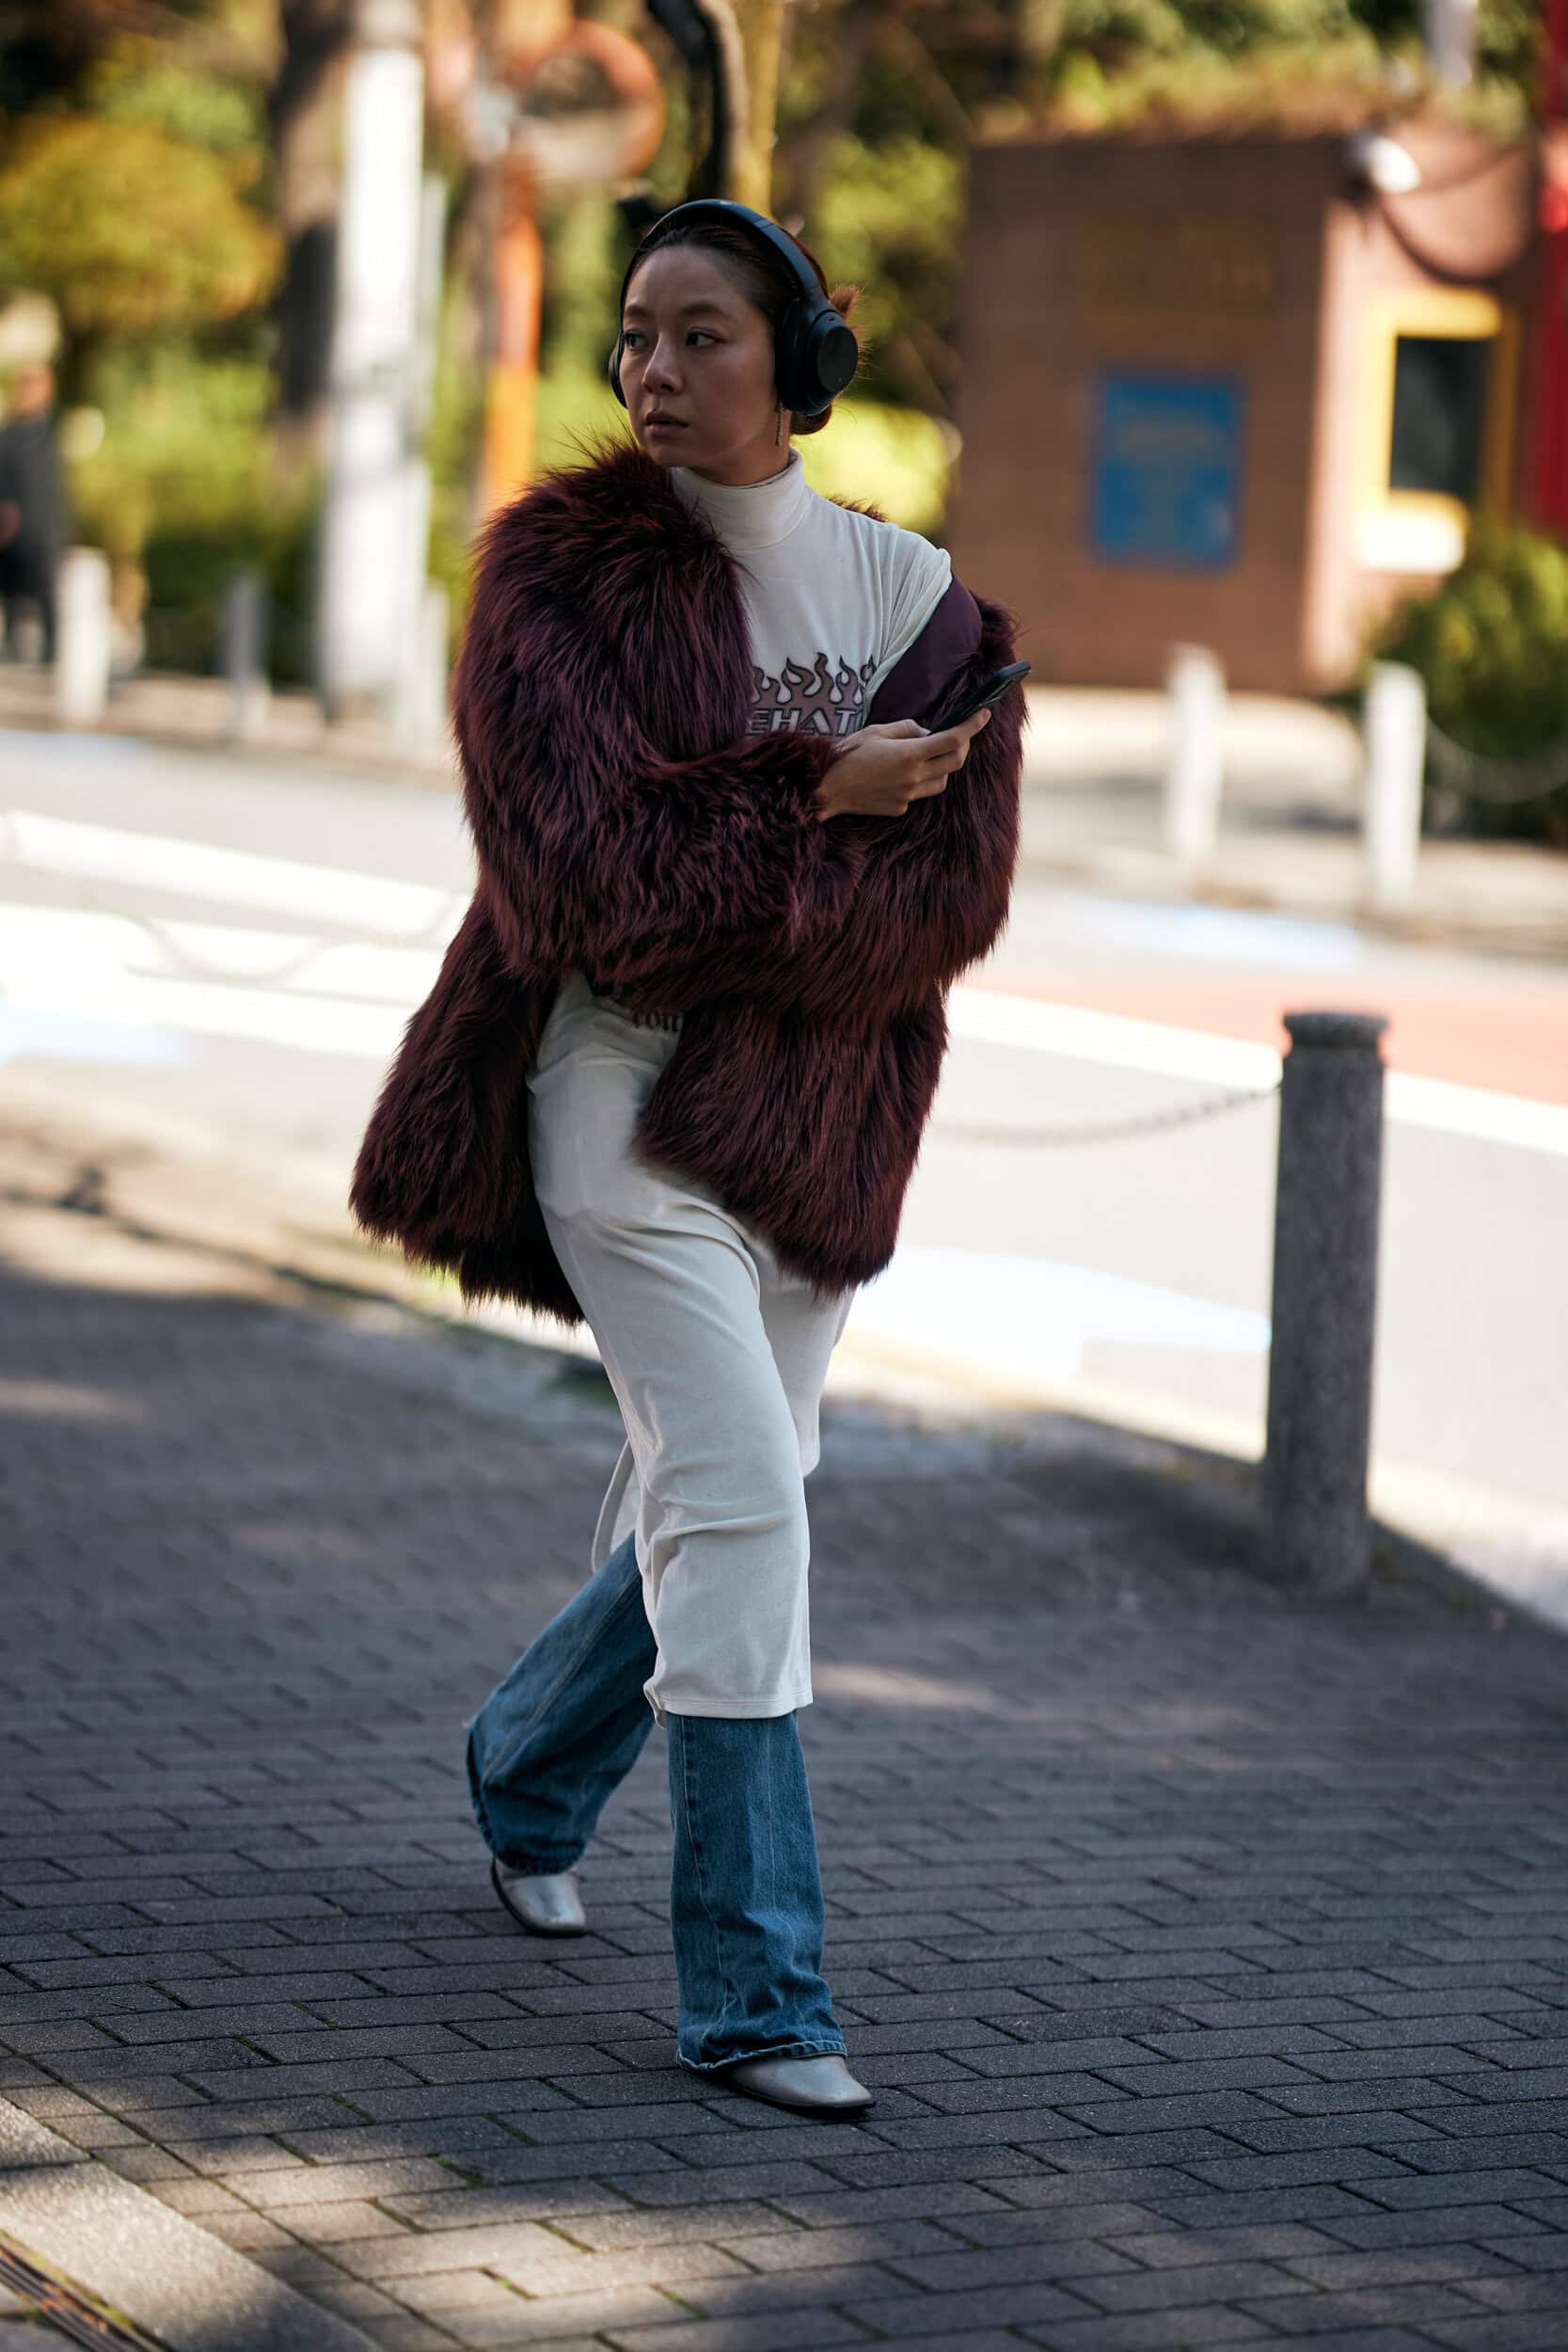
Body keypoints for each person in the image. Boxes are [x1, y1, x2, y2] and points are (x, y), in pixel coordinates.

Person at [350, 199, 1026, 2122]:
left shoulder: (917, 598)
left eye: (700, 334)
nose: (652, 369)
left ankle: (522, 1766)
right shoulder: (554, 579)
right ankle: (753, 1987)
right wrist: (817, 795)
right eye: (634, 334)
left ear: (798, 362)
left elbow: (947, 904)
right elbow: (577, 885)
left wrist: (740, 872)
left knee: (740, 1479)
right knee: (737, 1493)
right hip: (612, 1093)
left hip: (812, 1113)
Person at [0, 364, 66, 665]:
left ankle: (52, 654)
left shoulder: (50, 433)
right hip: (13, 527)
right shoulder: (9, 434)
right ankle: (13, 648)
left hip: (44, 526)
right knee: (11, 590)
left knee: (47, 591)